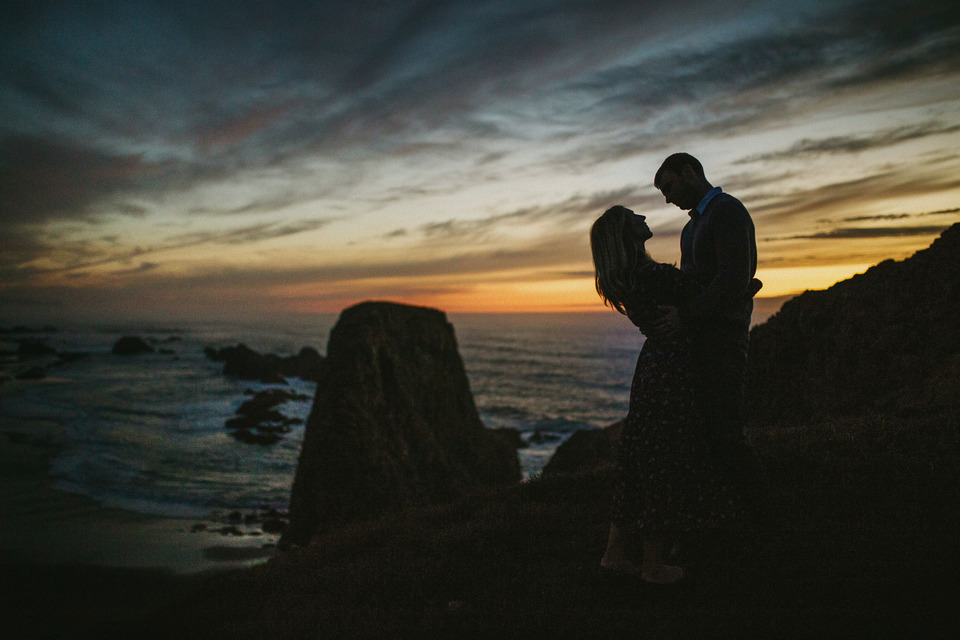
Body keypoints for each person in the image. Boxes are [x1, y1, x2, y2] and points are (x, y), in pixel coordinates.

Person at [592, 205, 742, 584]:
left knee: (639, 458)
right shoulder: (651, 275)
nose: (643, 216)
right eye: (633, 216)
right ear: (627, 232)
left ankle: (614, 555)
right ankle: (654, 566)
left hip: (653, 366)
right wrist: (745, 285)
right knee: (664, 459)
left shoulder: (629, 278)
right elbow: (709, 296)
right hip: (671, 368)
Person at [651, 154, 764, 513]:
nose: (668, 199)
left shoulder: (726, 211)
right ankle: (724, 509)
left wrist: (684, 316)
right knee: (705, 431)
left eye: (669, 187)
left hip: (724, 340)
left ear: (690, 172)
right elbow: (694, 283)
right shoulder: (692, 227)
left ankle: (759, 511)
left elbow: (732, 280)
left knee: (725, 430)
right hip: (702, 340)